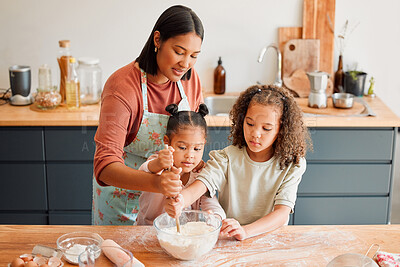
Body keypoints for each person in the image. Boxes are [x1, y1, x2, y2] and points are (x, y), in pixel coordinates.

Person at [92, 5, 205, 225]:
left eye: (194, 56)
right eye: (179, 52)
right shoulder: (122, 87)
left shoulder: (190, 80)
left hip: (167, 208)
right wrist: (156, 183)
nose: (186, 63)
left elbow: (195, 140)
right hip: (122, 206)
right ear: (157, 40)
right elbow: (105, 167)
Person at [165, 84, 312, 240]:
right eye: (249, 124)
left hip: (271, 239)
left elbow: (282, 213)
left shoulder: (292, 164)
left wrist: (246, 231)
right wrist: (181, 200)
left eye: (266, 128)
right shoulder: (226, 157)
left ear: (282, 129)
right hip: (231, 238)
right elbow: (203, 183)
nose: (255, 133)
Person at [136, 103, 226, 225]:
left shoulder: (200, 174)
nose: (190, 155)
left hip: (182, 236)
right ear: (167, 141)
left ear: (204, 144)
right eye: (182, 147)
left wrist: (215, 217)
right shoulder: (158, 164)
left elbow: (212, 204)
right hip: (147, 230)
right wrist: (158, 163)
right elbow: (143, 172)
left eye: (197, 149)